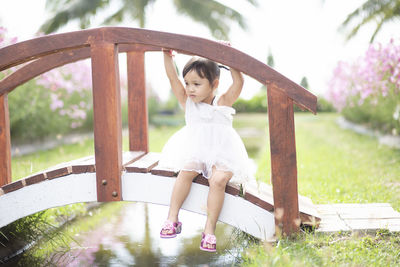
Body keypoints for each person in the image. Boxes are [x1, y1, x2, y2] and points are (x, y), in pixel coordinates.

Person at [158, 47, 252, 252]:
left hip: (223, 153)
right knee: (186, 171)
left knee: (217, 181)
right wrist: (167, 54)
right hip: (196, 151)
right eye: (188, 84)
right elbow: (172, 77)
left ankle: (209, 229)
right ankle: (172, 218)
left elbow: (239, 82)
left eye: (197, 84)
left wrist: (229, 56)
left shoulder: (223, 103)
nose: (190, 89)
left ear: (214, 84)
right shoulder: (188, 103)